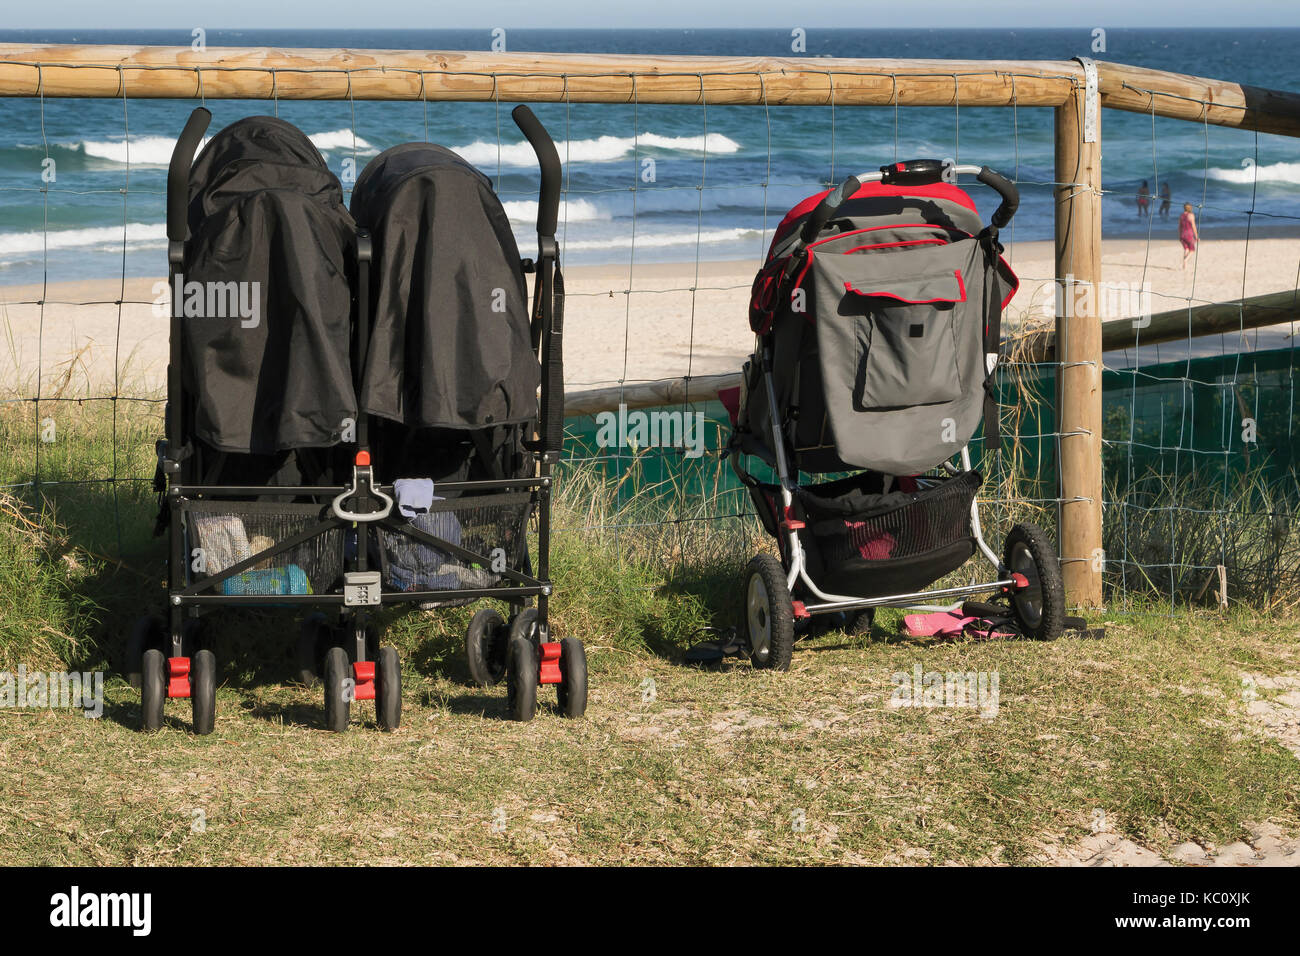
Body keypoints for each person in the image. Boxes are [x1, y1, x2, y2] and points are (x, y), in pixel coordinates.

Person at [1179, 203, 1199, 269]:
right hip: (1189, 234)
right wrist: (1196, 236)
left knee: (1186, 249)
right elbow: (1193, 226)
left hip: (1182, 234)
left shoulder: (1181, 215)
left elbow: (1179, 226)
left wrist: (1180, 235)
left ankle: (1185, 265)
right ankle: (1186, 260)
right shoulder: (1191, 215)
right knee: (1192, 250)